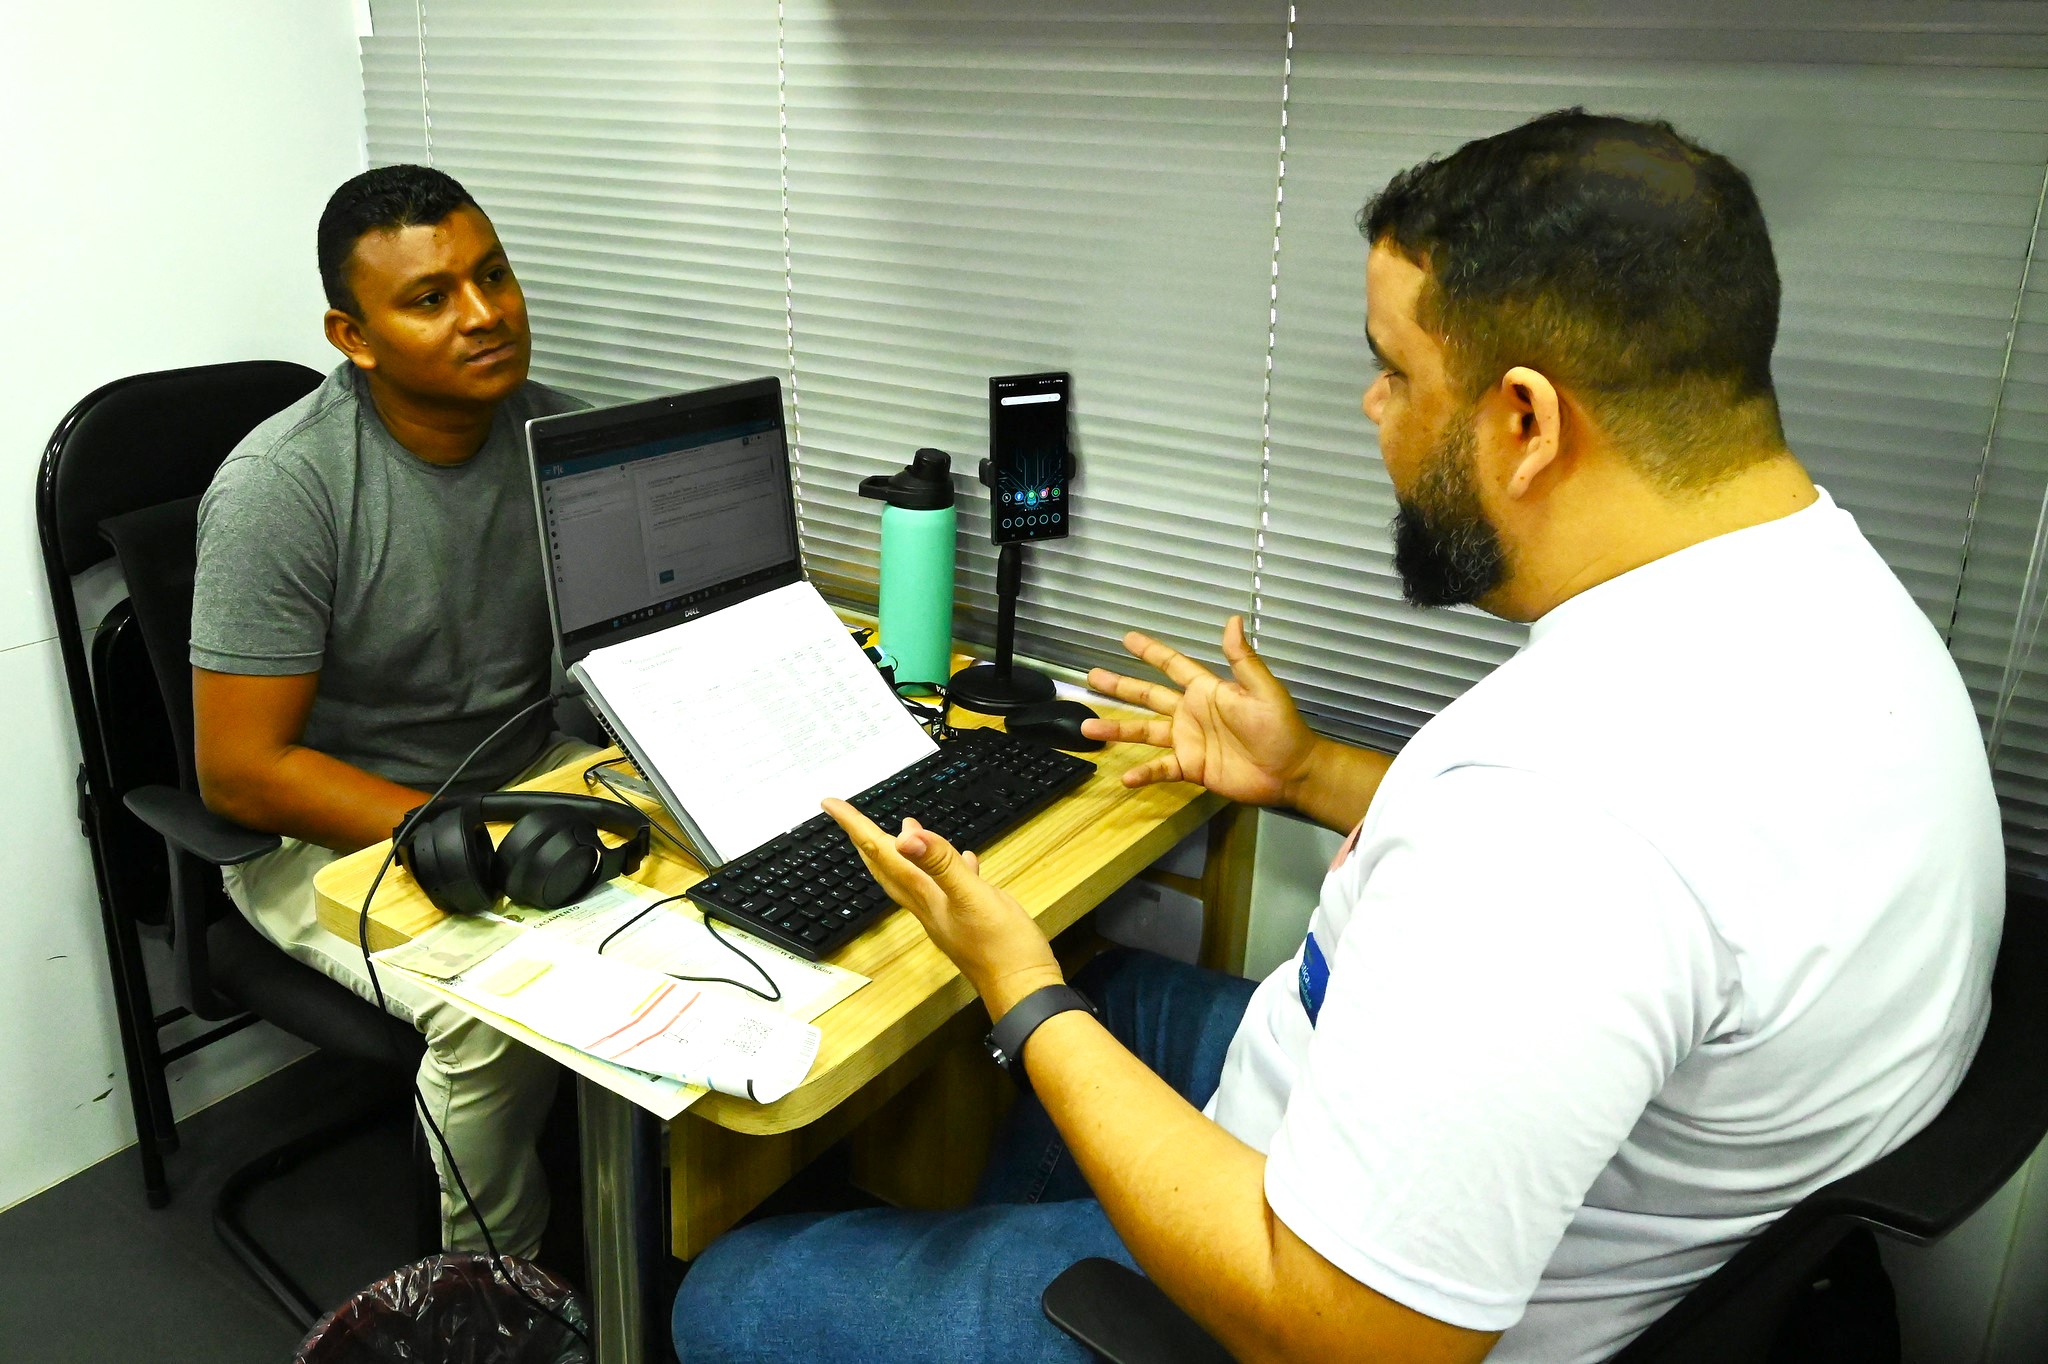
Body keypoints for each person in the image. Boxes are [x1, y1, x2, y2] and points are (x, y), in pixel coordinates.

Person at [672, 109, 2004, 1362]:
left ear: (1527, 422)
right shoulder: (1837, 606)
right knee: (1100, 1000)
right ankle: (979, 1230)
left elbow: (1351, 1336)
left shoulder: (1566, 822)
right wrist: (1306, 774)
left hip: (1318, 1300)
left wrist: (1025, 997)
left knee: (730, 1292)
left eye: (1394, 370)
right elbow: (1636, 907)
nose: (1373, 409)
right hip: (1481, 1166)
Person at [191, 165, 595, 1258]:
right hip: (313, 832)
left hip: (519, 774)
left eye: (494, 275)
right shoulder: (284, 487)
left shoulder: (556, 438)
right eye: (430, 298)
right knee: (493, 1014)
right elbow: (237, 769)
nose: (485, 315)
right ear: (352, 335)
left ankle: (663, 1218)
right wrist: (445, 825)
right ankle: (488, 1294)